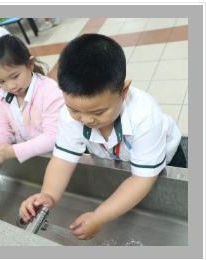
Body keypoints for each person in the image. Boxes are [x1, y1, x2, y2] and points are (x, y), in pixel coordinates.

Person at [19, 34, 186, 241]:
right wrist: (48, 195)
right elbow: (62, 160)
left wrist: (99, 216)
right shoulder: (69, 116)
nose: (87, 119)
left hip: (166, 158)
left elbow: (142, 179)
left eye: (98, 112)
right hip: (121, 160)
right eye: (75, 110)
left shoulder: (144, 115)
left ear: (123, 91)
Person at [0, 35, 64, 170]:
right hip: (32, 160)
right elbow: (3, 129)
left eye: (15, 77)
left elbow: (53, 136)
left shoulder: (50, 92)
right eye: (1, 82)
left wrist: (11, 151)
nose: (10, 86)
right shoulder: (2, 98)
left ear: (30, 64)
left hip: (58, 160)